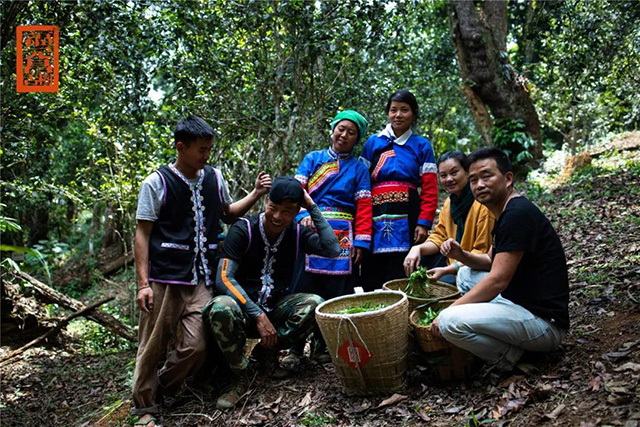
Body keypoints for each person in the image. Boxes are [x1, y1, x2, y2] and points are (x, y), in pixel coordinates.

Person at [131, 115, 272, 427]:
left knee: (197, 346)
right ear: (181, 147)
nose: (206, 156)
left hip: (202, 278)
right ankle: (143, 407)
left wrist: (256, 194)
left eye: (209, 150)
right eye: (201, 150)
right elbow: (142, 233)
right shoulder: (156, 183)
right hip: (165, 279)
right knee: (152, 345)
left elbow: (227, 213)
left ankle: (163, 388)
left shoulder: (213, 177)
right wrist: (143, 284)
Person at [202, 176, 340, 410]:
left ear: (297, 210)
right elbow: (224, 278)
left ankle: (265, 353)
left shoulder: (297, 233)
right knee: (221, 307)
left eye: (287, 211)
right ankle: (240, 375)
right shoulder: (243, 228)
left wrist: (312, 206)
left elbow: (333, 249)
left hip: (275, 310)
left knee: (313, 304)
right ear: (266, 202)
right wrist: (256, 314)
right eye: (272, 208)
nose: (277, 216)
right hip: (243, 312)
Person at [431, 147, 569, 372]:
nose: (479, 185)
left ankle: (512, 358)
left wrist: (446, 312)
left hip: (544, 325)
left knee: (449, 321)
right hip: (521, 303)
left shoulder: (517, 215)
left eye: (487, 176)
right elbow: (490, 260)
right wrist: (461, 256)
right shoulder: (505, 212)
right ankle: (512, 345)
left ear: (508, 179)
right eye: (474, 179)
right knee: (465, 274)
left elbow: (497, 280)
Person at [292, 110, 372, 359]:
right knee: (303, 286)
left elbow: (365, 205)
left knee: (336, 291)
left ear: (356, 139)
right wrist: (299, 216)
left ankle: (325, 345)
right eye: (341, 129)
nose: (344, 135)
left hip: (343, 237)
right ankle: (294, 346)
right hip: (310, 230)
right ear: (333, 129)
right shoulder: (313, 159)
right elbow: (296, 190)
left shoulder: (359, 168)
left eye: (351, 132)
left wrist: (361, 240)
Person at [359, 90, 438, 290]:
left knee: (404, 263)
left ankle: (403, 309)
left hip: (408, 212)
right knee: (374, 264)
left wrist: (424, 222)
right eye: (393, 110)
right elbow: (361, 181)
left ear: (413, 114)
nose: (398, 115)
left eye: (404, 110)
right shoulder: (373, 143)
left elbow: (429, 188)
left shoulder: (421, 145)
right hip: (376, 212)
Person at [403, 151, 494, 284]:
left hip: (473, 267)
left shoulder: (482, 205)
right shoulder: (449, 203)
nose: (449, 179)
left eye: (454, 173)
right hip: (453, 261)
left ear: (467, 172)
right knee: (417, 264)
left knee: (440, 283)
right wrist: (417, 248)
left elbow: (482, 252)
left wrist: (450, 269)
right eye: (443, 175)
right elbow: (439, 236)